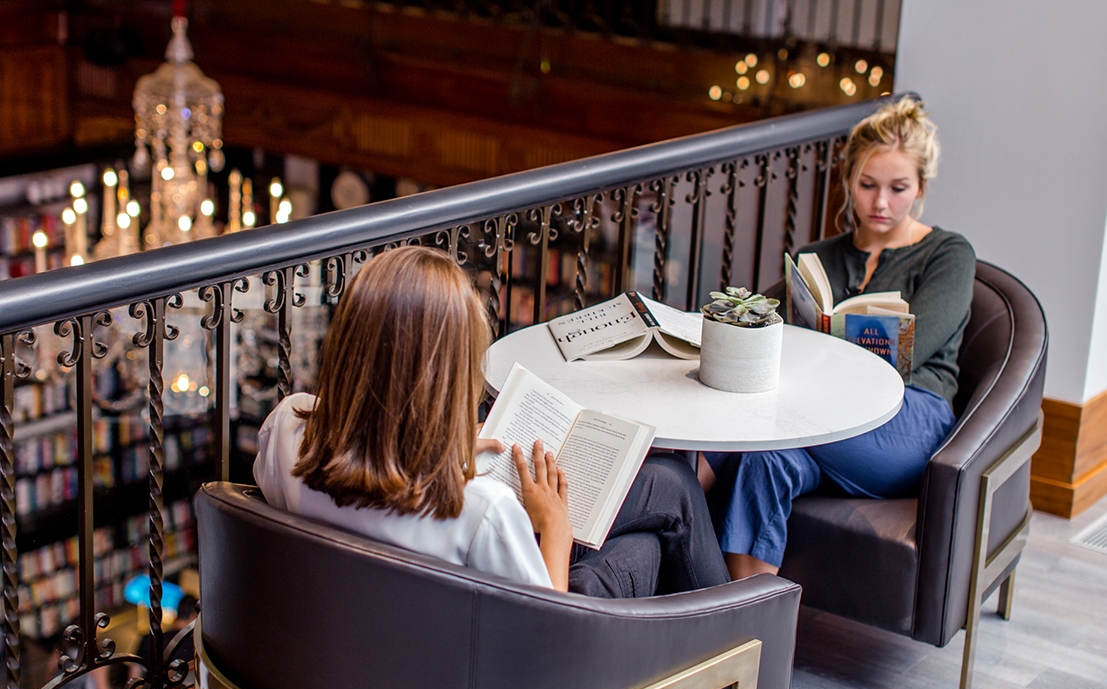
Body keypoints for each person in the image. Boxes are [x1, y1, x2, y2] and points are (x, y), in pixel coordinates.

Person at [253, 244, 729, 598]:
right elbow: (546, 637)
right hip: (480, 678)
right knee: (643, 547)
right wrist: (555, 527)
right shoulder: (482, 511)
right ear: (447, 379)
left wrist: (433, 450)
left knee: (667, 489)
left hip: (367, 635)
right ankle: (736, 658)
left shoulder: (285, 431)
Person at [700, 97, 974, 582]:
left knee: (740, 428)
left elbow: (909, 356)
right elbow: (762, 325)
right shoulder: (817, 257)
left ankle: (684, 481)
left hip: (907, 415)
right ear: (848, 181)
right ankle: (745, 629)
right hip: (814, 414)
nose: (881, 203)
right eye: (867, 185)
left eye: (898, 187)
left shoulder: (948, 254)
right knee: (763, 460)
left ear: (921, 188)